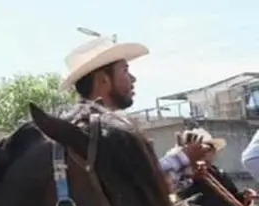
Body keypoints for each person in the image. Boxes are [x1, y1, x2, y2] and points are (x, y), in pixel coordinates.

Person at [61, 33, 215, 180]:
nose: (133, 79)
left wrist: (184, 171)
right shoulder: (98, 131)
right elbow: (135, 184)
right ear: (103, 80)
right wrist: (182, 157)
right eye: (125, 71)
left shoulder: (82, 128)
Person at [171, 128, 256, 206]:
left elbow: (232, 197)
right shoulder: (182, 176)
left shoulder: (219, 174)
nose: (206, 153)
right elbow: (180, 201)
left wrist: (244, 197)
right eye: (202, 148)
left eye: (210, 149)